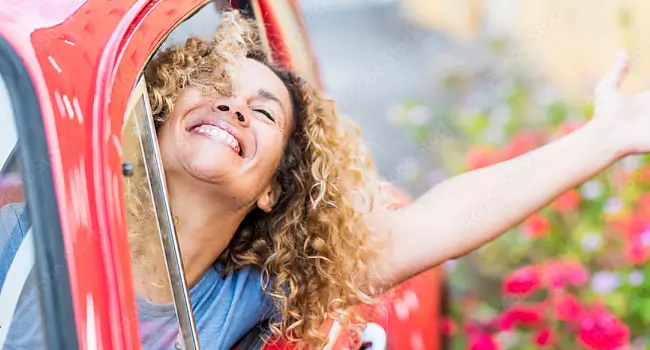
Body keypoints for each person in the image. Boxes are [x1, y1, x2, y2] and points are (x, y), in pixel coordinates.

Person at [3, 8, 650, 350]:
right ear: (159, 119)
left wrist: (601, 140)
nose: (234, 107)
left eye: (263, 112)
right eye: (216, 89)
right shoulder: (25, 233)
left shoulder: (246, 295)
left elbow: (433, 224)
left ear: (271, 190)